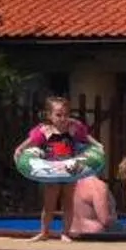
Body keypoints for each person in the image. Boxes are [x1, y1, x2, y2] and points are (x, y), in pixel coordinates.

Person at [24, 97, 95, 241]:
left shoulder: (73, 128)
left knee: (68, 202)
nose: (63, 118)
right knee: (49, 203)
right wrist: (19, 149)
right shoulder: (45, 130)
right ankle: (44, 232)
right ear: (49, 115)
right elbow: (31, 141)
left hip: (69, 170)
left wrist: (97, 145)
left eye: (66, 114)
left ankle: (66, 233)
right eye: (58, 115)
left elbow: (86, 138)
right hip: (52, 171)